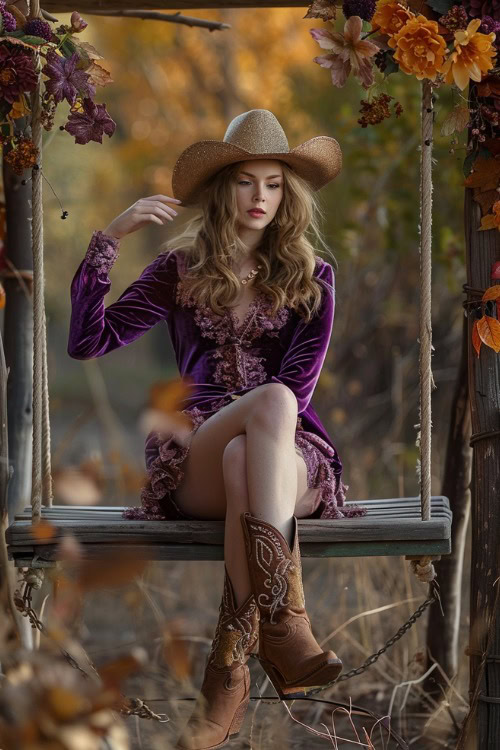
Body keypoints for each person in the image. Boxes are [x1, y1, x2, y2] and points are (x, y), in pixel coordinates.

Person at [68, 109, 365, 750]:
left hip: (289, 461)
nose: (260, 197)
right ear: (220, 188)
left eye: (275, 184)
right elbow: (86, 341)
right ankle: (286, 622)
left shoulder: (313, 278)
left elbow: (298, 391)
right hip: (196, 449)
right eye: (245, 181)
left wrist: (268, 421)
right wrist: (110, 238)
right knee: (249, 427)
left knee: (260, 434)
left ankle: (230, 669)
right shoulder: (179, 272)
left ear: (290, 195)